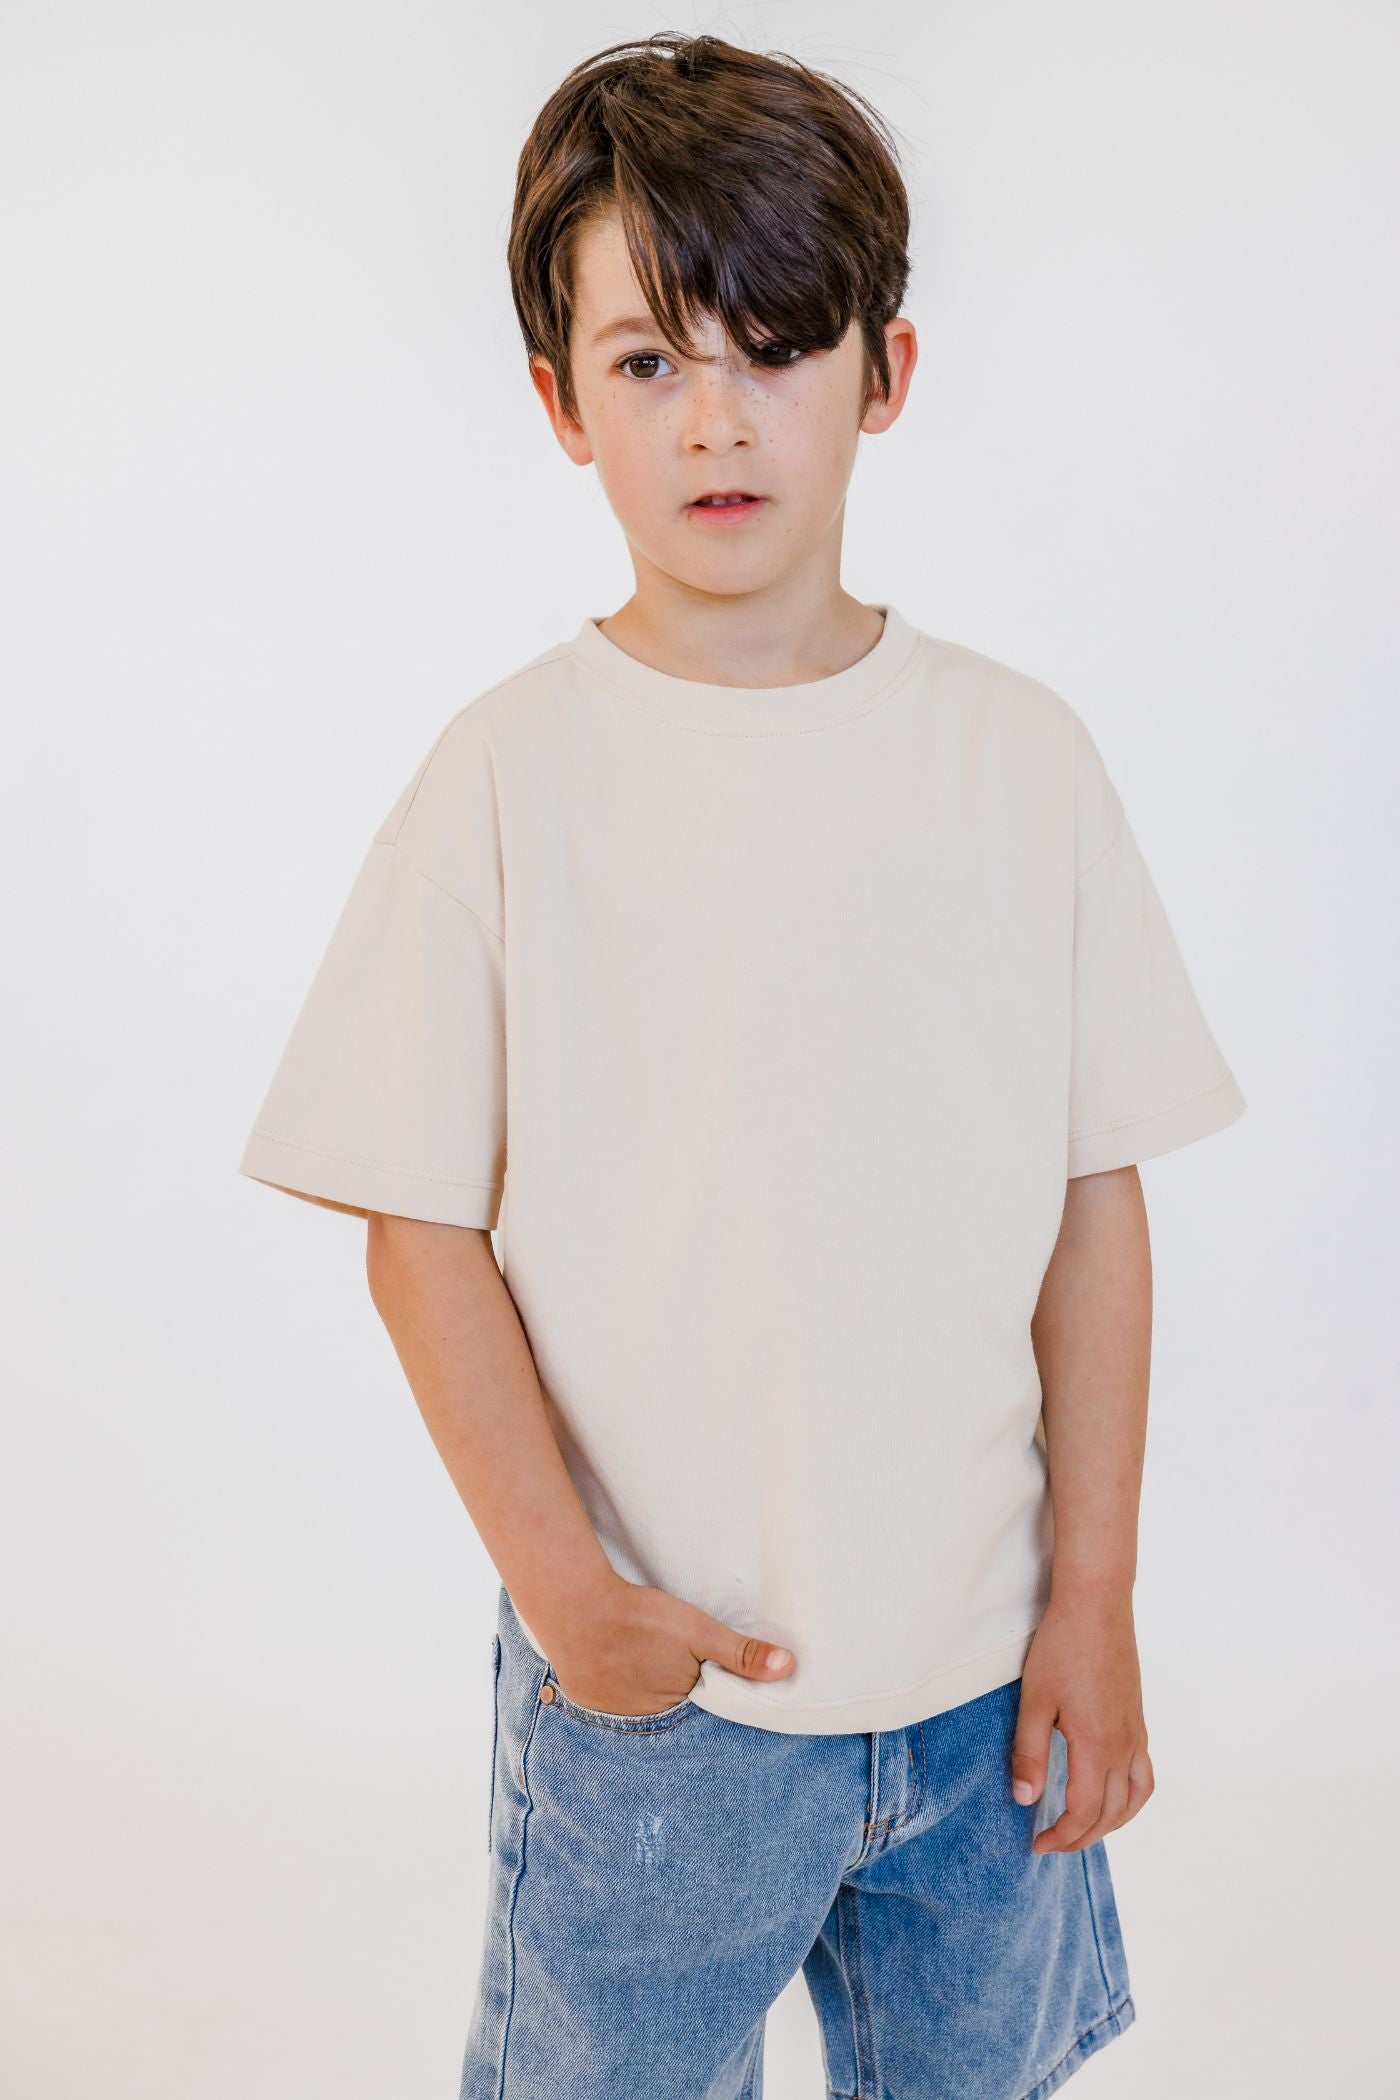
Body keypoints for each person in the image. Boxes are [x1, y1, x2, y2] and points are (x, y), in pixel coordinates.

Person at [237, 30, 1246, 2099]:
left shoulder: (1020, 763)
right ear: (559, 403)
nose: (715, 418)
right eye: (648, 362)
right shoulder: (508, 780)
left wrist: (1097, 1594)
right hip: (663, 1717)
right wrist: (569, 1599)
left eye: (775, 351)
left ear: (884, 373)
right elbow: (416, 1232)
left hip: (984, 1693)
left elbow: (1094, 1199)